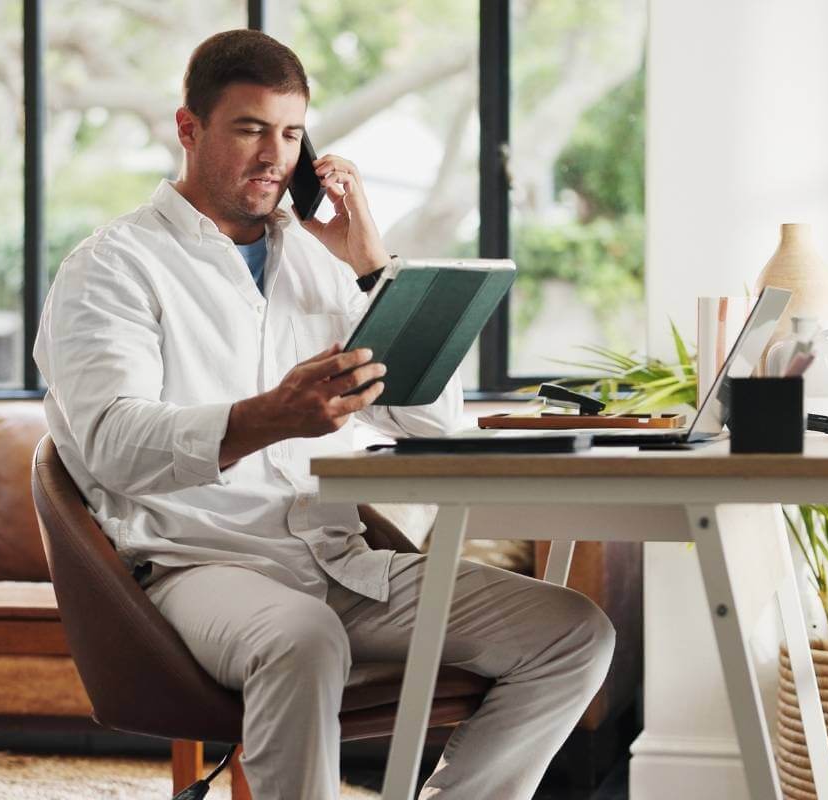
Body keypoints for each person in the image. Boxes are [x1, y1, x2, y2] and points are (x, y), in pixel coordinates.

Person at [34, 28, 615, 799]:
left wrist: (375, 269)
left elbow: (432, 426)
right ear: (189, 128)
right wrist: (267, 418)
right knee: (303, 640)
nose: (273, 155)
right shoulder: (112, 267)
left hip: (334, 561)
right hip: (196, 566)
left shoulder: (320, 259)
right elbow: (110, 444)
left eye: (291, 133)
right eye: (249, 129)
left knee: (572, 633)